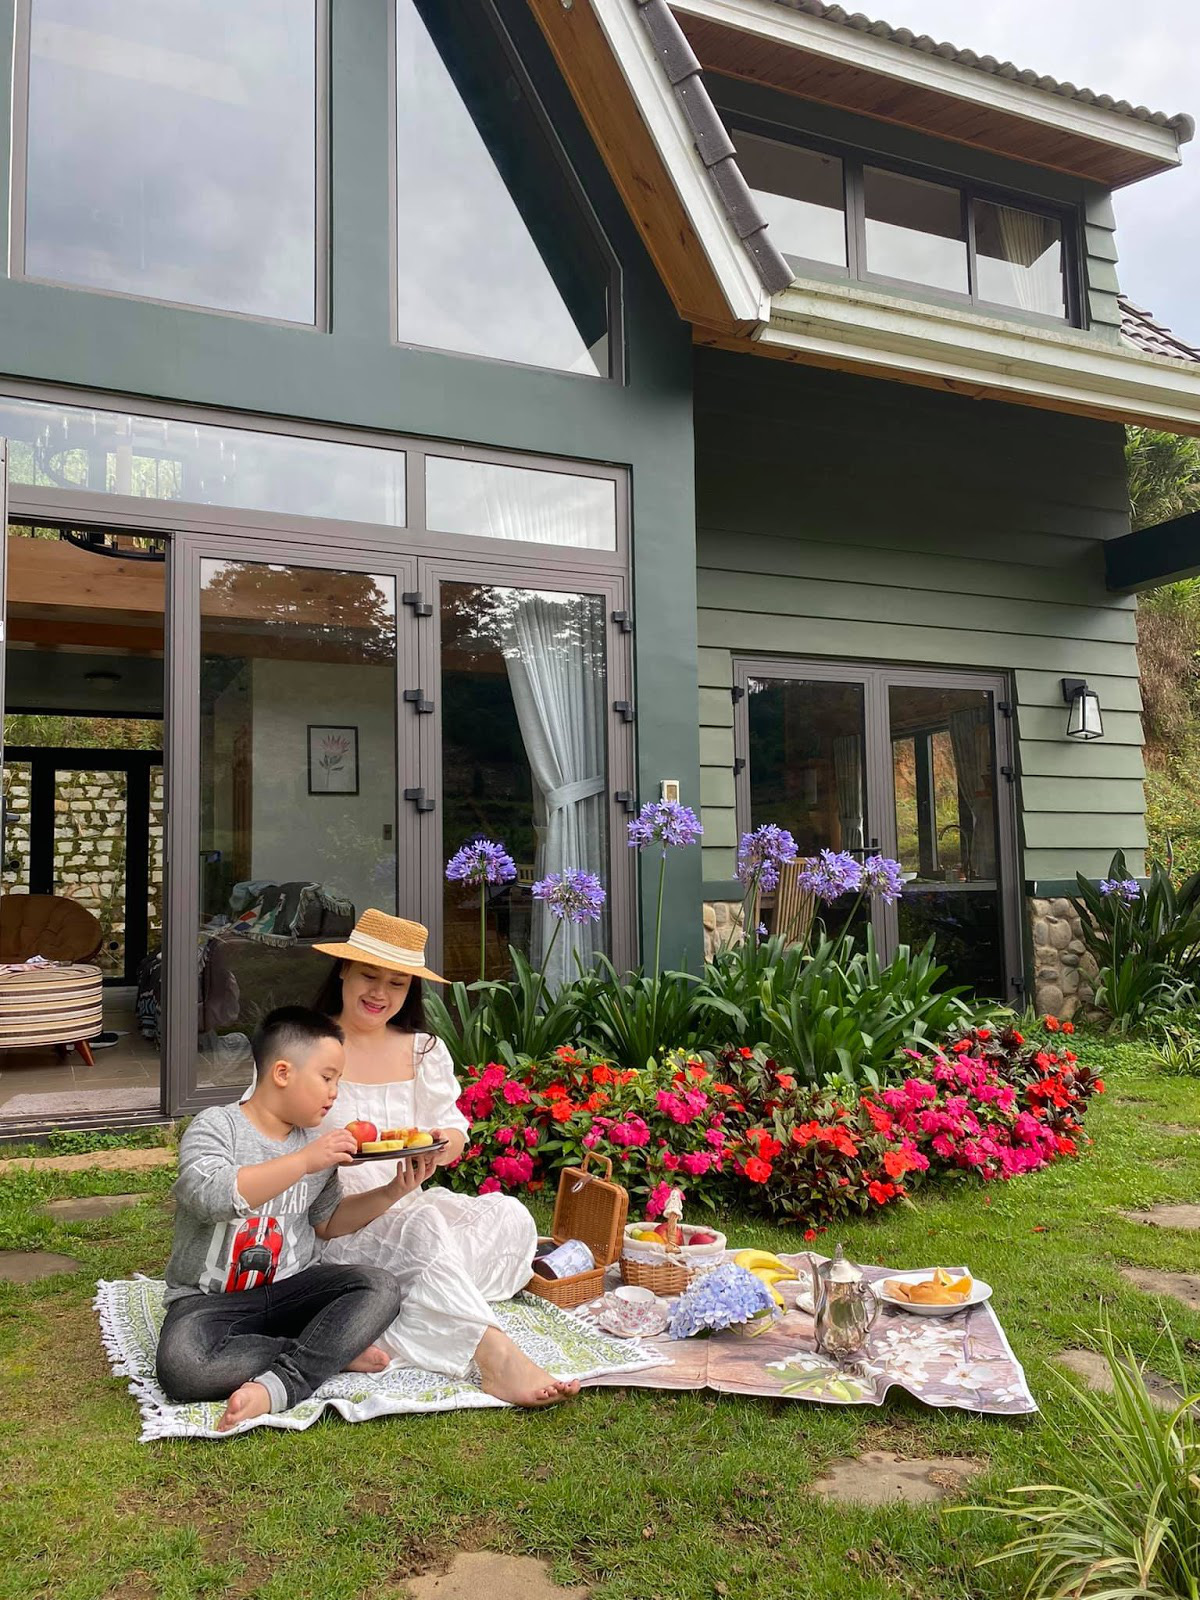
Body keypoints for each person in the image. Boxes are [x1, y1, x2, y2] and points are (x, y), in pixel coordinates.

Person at [311, 908, 579, 1409]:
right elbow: (263, 1127)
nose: (380, 993)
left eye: (397, 983)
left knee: (510, 1217)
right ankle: (494, 1354)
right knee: (425, 1232)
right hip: (337, 1222)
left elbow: (453, 1128)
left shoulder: (423, 1049)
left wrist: (440, 1143)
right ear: (344, 970)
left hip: (410, 1202)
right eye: (369, 975)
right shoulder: (307, 1043)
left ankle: (375, 1322)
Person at [156, 1005, 439, 1432]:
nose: (335, 1092)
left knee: (379, 1286)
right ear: (283, 1073)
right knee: (182, 1367)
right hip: (209, 1302)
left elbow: (328, 1223)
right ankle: (325, 1353)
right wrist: (304, 1162)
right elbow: (210, 1196)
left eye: (338, 1080)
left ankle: (283, 1384)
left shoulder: (315, 1145)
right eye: (327, 1078)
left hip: (292, 1292)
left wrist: (393, 1190)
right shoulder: (216, 1126)